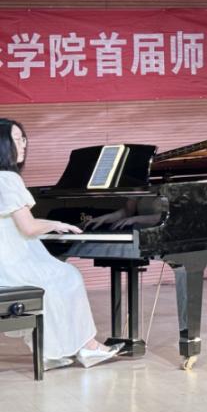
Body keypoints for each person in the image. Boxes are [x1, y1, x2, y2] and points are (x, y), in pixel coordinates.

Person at [0, 119, 122, 370]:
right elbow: (28, 227)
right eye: (16, 139)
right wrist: (55, 223)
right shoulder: (8, 179)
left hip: (6, 260)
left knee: (58, 279)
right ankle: (87, 347)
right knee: (68, 276)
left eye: (24, 139)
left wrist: (48, 224)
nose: (23, 145)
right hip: (11, 264)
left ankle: (52, 353)